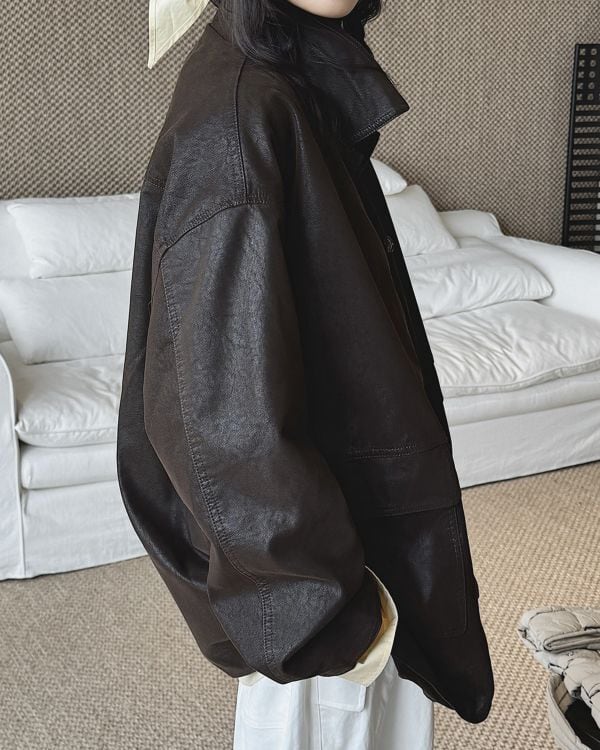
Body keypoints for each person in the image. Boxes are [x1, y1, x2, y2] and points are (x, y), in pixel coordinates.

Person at [117, 0, 494, 746]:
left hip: (348, 545)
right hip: (325, 589)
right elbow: (220, 421)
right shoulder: (239, 117)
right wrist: (329, 615)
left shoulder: (287, 81)